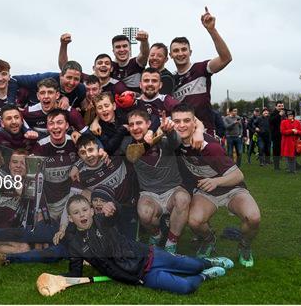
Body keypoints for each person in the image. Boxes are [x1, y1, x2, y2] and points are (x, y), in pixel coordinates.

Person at [63, 194, 234, 295]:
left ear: (92, 211)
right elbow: (75, 271)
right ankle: (206, 275)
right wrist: (61, 280)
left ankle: (209, 262)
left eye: (85, 210)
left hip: (151, 256)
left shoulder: (102, 221)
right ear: (70, 218)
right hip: (141, 277)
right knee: (186, 287)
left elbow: (115, 215)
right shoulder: (75, 244)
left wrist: (112, 206)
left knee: (195, 265)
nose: (82, 215)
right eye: (76, 213)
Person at [171, 104, 261, 267]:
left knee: (253, 218)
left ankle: (245, 246)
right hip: (206, 192)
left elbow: (238, 175)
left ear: (194, 123)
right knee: (195, 221)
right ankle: (208, 240)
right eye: (177, 121)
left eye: (186, 121)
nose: (182, 125)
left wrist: (216, 181)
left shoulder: (210, 147)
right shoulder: (175, 143)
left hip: (231, 189)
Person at [120, 110, 190, 254]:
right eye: (131, 124)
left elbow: (175, 142)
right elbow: (132, 155)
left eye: (139, 123)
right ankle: (156, 235)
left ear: (149, 124)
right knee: (144, 214)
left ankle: (171, 243)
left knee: (183, 198)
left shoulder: (164, 141)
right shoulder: (128, 144)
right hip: (149, 194)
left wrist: (169, 132)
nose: (135, 127)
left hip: (172, 190)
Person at [170, 7, 232, 134]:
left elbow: (226, 58)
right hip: (180, 135)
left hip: (205, 133)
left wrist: (212, 30)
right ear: (170, 55)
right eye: (176, 50)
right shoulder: (169, 80)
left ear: (190, 52)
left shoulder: (201, 68)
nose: (180, 53)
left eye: (184, 49)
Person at [21, 78, 87, 141]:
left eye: (50, 92)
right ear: (38, 96)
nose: (46, 96)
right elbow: (17, 121)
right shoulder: (29, 112)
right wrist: (27, 130)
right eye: (42, 93)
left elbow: (88, 136)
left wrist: (76, 133)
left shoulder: (71, 113)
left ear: (57, 95)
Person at [7, 61, 86, 109]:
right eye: (69, 77)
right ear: (61, 75)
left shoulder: (81, 89)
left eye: (76, 79)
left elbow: (83, 108)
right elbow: (14, 79)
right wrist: (11, 105)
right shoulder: (45, 78)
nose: (72, 83)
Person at [269, 101, 286, 170]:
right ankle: (276, 166)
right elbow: (271, 121)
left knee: (286, 150)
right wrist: (279, 115)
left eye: (282, 106)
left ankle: (291, 166)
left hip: (285, 134)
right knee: (276, 151)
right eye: (279, 106)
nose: (281, 107)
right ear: (276, 107)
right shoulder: (273, 113)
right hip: (276, 135)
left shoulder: (285, 114)